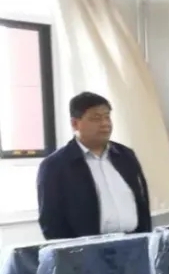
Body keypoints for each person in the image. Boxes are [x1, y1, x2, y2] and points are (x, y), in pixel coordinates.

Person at [36, 92, 151, 240]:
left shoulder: (125, 155)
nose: (105, 123)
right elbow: (50, 220)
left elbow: (142, 202)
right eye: (96, 118)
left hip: (134, 243)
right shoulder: (55, 165)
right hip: (87, 249)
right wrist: (72, 251)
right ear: (75, 123)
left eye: (107, 117)